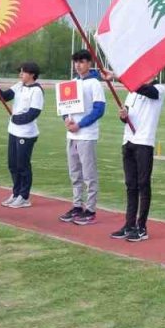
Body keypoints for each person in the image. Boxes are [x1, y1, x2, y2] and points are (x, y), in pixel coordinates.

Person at [102, 69, 165, 242]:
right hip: (128, 140)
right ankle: (129, 224)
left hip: (144, 142)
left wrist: (117, 77)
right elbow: (128, 115)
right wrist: (123, 116)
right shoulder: (132, 93)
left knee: (143, 184)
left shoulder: (159, 89)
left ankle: (141, 227)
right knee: (131, 185)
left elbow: (146, 90)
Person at [59, 50, 107, 226]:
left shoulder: (94, 84)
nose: (78, 65)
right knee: (75, 173)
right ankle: (77, 205)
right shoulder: (71, 83)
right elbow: (64, 107)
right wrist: (66, 120)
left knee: (89, 174)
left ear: (89, 63)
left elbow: (99, 109)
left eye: (82, 62)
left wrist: (80, 124)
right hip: (71, 134)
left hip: (86, 135)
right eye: (76, 62)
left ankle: (91, 209)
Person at [0, 62, 44, 208]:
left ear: (32, 74)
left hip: (26, 133)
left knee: (22, 165)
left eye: (23, 72)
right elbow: (5, 96)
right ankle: (16, 192)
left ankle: (24, 196)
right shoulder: (19, 86)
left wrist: (17, 119)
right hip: (13, 131)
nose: (20, 74)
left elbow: (34, 112)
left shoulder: (36, 91)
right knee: (12, 164)